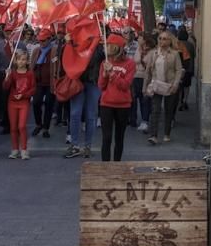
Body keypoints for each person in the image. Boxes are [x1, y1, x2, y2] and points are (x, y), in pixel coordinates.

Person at [64, 37, 105, 159]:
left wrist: (102, 45)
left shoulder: (99, 45)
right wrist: (68, 44)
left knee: (90, 115)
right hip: (77, 81)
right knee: (75, 113)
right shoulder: (74, 41)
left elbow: (104, 57)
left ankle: (88, 146)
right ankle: (75, 145)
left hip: (93, 82)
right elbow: (66, 59)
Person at [98, 33, 136, 161]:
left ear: (116, 47)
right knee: (106, 137)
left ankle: (117, 164)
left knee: (119, 137)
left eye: (109, 45)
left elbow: (125, 85)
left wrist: (113, 74)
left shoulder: (130, 64)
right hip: (106, 104)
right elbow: (101, 86)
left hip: (123, 105)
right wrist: (104, 74)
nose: (106, 48)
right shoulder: (105, 62)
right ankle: (105, 166)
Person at [145, 31, 184, 145]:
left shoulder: (175, 54)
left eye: (165, 39)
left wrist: (176, 84)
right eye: (160, 38)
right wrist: (145, 86)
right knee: (155, 110)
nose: (162, 41)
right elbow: (148, 71)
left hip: (169, 85)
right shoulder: (153, 53)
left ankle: (167, 133)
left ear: (170, 41)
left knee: (168, 110)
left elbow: (178, 70)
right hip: (156, 84)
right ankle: (153, 135)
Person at [3, 49, 36, 160]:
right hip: (12, 102)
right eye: (19, 60)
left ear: (27, 62)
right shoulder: (12, 73)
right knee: (13, 127)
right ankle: (15, 149)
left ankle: (24, 150)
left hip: (24, 102)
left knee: (21, 126)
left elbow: (33, 89)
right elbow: (6, 87)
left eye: (24, 60)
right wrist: (7, 77)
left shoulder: (30, 74)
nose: (21, 62)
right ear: (16, 61)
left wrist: (24, 95)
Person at [31, 29, 56, 138]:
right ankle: (38, 124)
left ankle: (46, 127)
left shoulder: (54, 50)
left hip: (50, 82)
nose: (41, 43)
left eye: (44, 40)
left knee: (49, 105)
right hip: (38, 82)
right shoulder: (36, 50)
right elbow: (31, 65)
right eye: (40, 41)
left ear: (49, 39)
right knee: (36, 103)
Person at [132, 33, 156, 132]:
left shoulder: (152, 52)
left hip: (145, 77)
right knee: (134, 98)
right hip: (136, 76)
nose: (138, 39)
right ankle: (133, 119)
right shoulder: (138, 49)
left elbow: (150, 66)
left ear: (145, 40)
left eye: (140, 38)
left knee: (144, 99)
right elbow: (135, 61)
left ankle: (145, 120)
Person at [176, 28, 195, 111]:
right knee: (187, 86)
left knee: (179, 86)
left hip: (179, 68)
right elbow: (194, 55)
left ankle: (179, 101)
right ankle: (185, 100)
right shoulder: (190, 45)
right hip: (189, 68)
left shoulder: (177, 44)